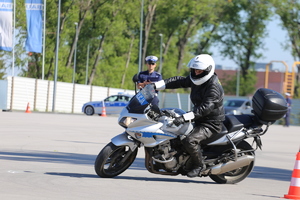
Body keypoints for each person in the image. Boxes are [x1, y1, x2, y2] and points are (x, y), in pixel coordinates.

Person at [152, 54, 225, 178]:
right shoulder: (197, 79)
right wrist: (155, 86)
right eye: (194, 70)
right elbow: (179, 81)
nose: (196, 73)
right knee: (174, 134)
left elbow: (205, 109)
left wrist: (184, 117)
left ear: (207, 70)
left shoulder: (213, 87)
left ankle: (199, 165)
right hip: (199, 117)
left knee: (189, 140)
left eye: (199, 70)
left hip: (211, 123)